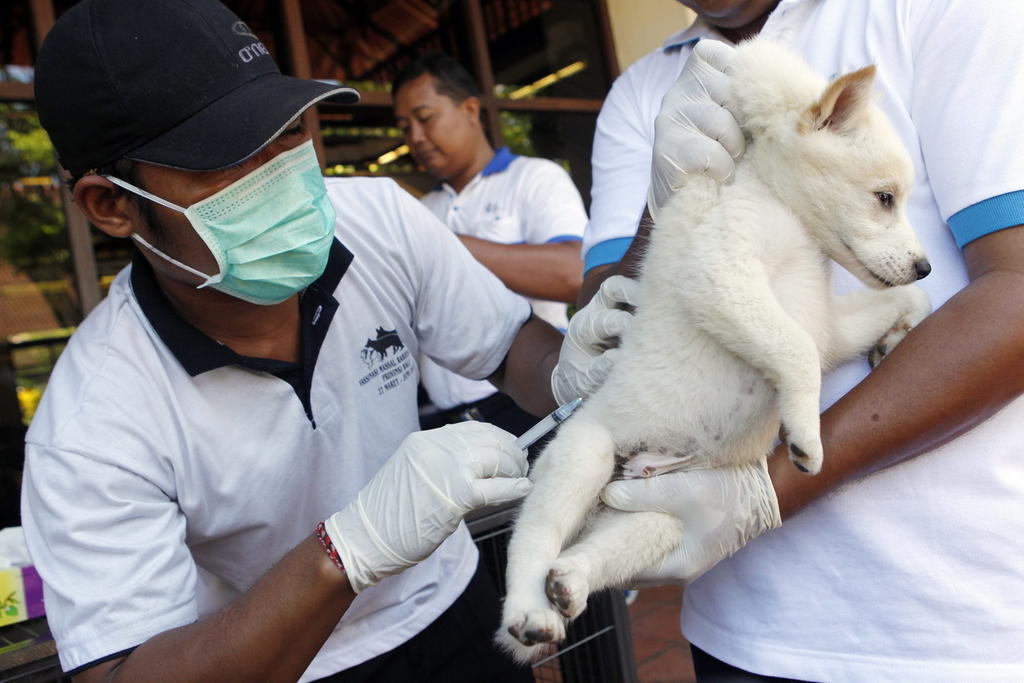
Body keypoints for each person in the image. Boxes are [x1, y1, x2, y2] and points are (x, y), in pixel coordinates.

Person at [18, 1, 624, 680]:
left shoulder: (377, 222)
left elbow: (510, 346)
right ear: (112, 205)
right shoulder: (93, 423)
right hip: (284, 661)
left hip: (452, 606)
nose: (277, 171)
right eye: (226, 155)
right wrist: (346, 551)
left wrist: (579, 372)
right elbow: (122, 671)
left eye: (286, 130)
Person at [580, 0, 1024, 680]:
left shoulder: (937, 11)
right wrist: (664, 206)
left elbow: (1016, 290)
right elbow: (610, 323)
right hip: (741, 623)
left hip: (950, 622)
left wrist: (766, 493)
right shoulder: (641, 92)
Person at [392, 54, 586, 437]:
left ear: (470, 109)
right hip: (450, 424)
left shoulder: (533, 179)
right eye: (404, 127)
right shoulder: (420, 210)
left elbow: (574, 273)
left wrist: (445, 244)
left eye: (425, 118)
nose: (415, 137)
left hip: (533, 404)